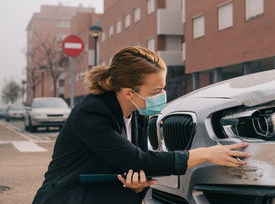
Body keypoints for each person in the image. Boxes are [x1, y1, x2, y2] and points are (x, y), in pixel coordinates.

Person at [33, 46, 250, 204]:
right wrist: (205, 154)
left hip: (100, 191)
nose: (162, 96)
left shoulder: (137, 112)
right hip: (66, 195)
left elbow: (135, 165)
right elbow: (138, 159)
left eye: (163, 88)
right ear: (129, 93)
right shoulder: (90, 114)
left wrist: (137, 186)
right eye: (156, 91)